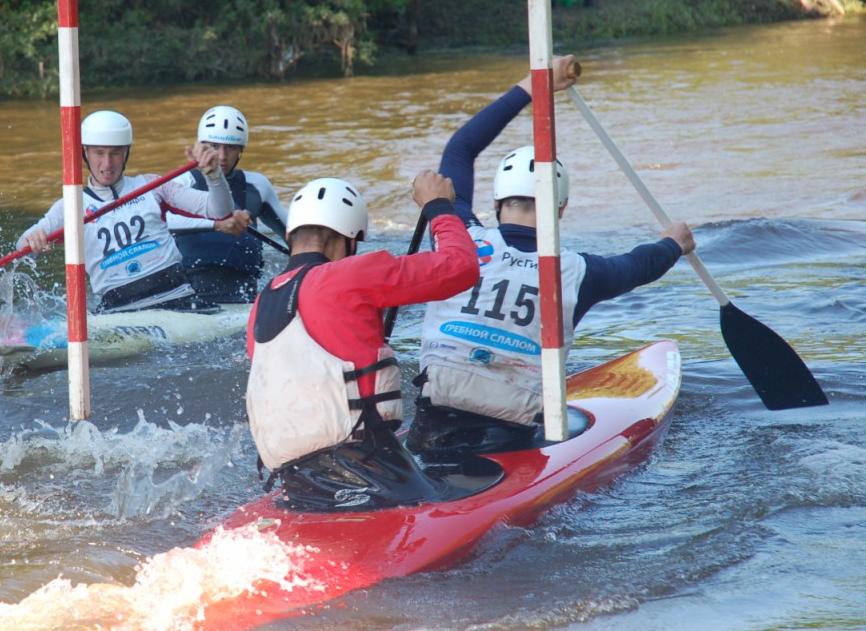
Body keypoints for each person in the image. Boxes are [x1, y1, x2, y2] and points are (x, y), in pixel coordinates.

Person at [407, 56, 695, 457]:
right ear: (561, 209)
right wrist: (674, 244)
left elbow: (461, 148)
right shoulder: (579, 272)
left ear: (496, 202)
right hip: (512, 431)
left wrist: (534, 85)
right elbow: (640, 265)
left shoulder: (456, 237)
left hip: (433, 416)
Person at [245, 173, 482, 512]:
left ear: (289, 235)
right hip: (369, 469)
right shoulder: (348, 274)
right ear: (349, 240)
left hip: (296, 483)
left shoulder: (260, 304)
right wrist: (438, 207)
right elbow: (461, 267)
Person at [17, 109, 235, 314]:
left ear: (126, 153)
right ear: (85, 153)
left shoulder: (153, 186)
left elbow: (220, 212)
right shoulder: (71, 207)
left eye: (115, 153)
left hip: (178, 298)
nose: (107, 164)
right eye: (99, 153)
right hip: (118, 311)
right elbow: (23, 248)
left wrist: (213, 175)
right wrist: (32, 239)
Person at [167, 106, 288, 303]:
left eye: (230, 148)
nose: (222, 156)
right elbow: (159, 222)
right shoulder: (180, 183)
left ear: (241, 150)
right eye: (214, 146)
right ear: (201, 147)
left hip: (244, 289)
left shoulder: (257, 186)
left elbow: (294, 236)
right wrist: (217, 225)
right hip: (192, 290)